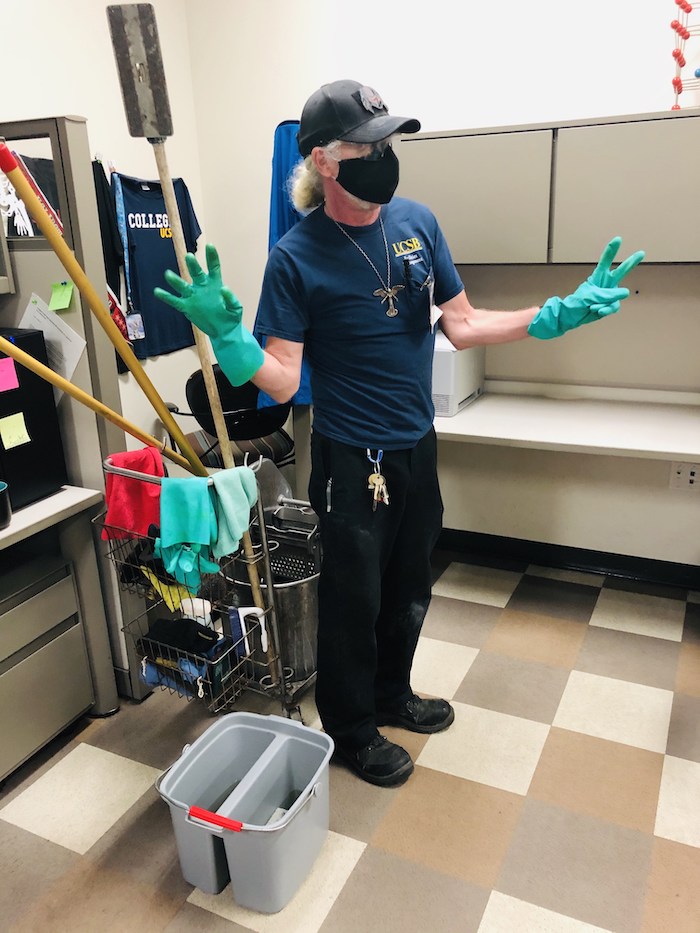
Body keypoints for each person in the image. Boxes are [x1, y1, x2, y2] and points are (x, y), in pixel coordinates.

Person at [155, 79, 645, 788]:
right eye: (366, 145)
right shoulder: (297, 257)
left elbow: (462, 321)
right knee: (354, 598)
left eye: (388, 142)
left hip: (417, 444)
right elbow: (287, 380)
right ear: (324, 160)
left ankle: (392, 693)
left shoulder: (417, 222)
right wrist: (231, 339)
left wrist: (554, 314)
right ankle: (352, 728)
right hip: (352, 458)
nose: (383, 156)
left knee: (409, 585)